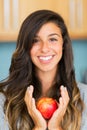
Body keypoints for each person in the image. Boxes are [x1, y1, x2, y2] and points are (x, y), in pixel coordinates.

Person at [0, 9, 87, 130]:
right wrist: (39, 127)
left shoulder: (84, 96)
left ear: (63, 43)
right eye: (35, 40)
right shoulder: (3, 100)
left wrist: (56, 127)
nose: (44, 48)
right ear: (25, 46)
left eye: (52, 39)